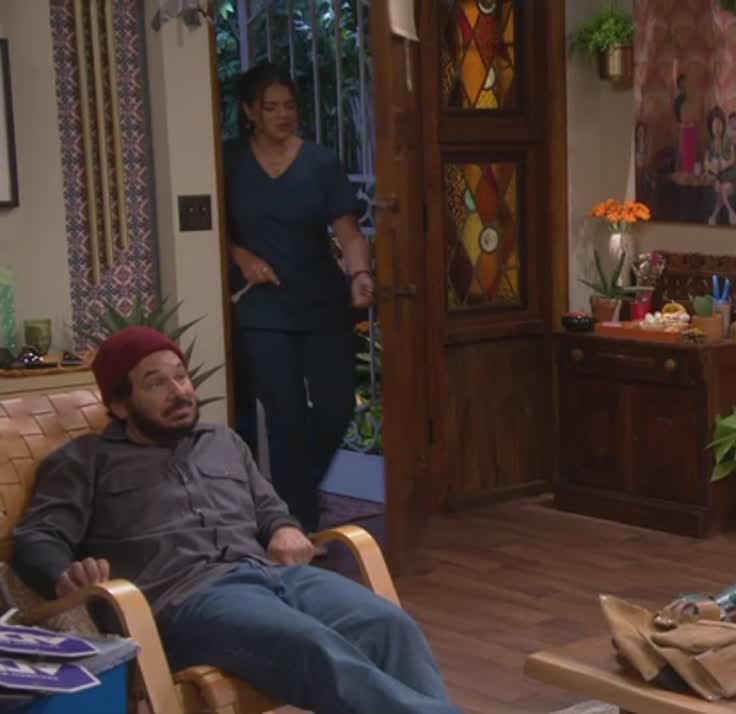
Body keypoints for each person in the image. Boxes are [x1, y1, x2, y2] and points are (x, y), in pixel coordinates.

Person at [13, 327, 459, 714]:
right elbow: (37, 537)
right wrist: (63, 575)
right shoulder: (84, 462)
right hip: (189, 602)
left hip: (274, 575)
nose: (179, 391)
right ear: (120, 404)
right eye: (156, 383)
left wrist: (284, 527)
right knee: (312, 646)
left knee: (390, 627)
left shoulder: (222, 440)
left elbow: (268, 508)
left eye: (181, 376)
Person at [225, 61, 374, 533]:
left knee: (336, 408)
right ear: (250, 111)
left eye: (289, 106)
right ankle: (299, 524)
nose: (283, 115)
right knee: (284, 417)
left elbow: (349, 233)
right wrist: (242, 257)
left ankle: (284, 499)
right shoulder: (229, 160)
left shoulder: (321, 163)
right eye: (271, 107)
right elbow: (209, 225)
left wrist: (360, 273)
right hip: (261, 307)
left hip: (321, 303)